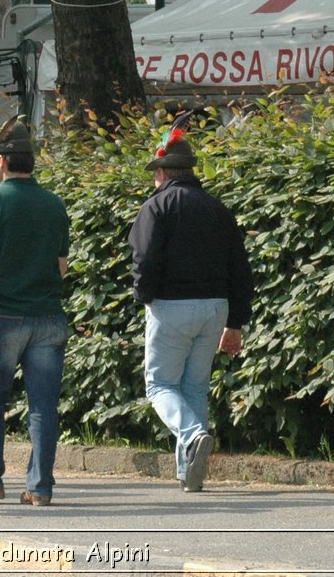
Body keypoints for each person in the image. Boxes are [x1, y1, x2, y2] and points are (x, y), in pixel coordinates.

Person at [128, 130, 253, 493]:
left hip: (171, 307)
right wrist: (235, 321)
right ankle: (188, 472)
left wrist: (144, 295)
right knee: (195, 386)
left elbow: (144, 259)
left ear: (164, 173)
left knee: (160, 385)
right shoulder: (218, 209)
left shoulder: (156, 207)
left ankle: (194, 434)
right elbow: (239, 269)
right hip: (216, 307)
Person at [0, 118, 70, 506]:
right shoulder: (54, 204)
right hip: (49, 316)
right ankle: (40, 487)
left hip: (4, 315)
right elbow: (62, 267)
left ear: (3, 161)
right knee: (43, 404)